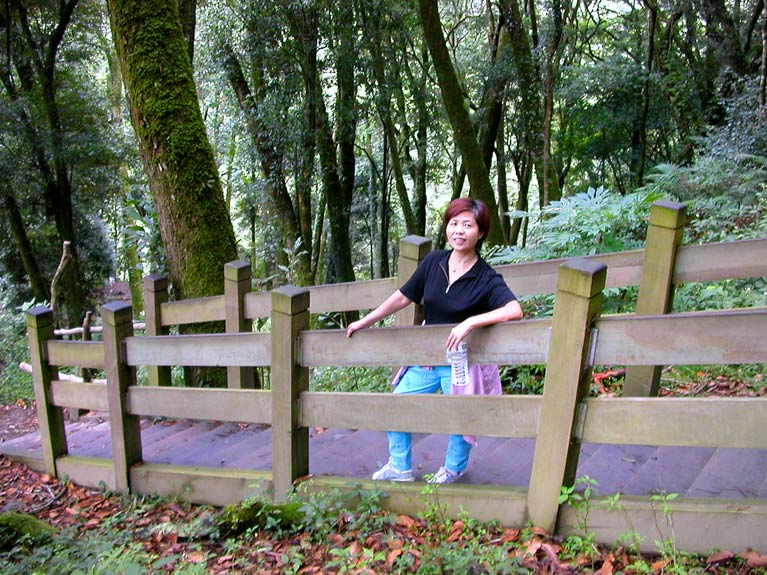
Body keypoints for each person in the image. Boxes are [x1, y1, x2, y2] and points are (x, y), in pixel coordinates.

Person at [346, 197, 523, 484]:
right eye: (454, 223)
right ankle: (400, 467)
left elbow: (514, 310)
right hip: (427, 359)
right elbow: (403, 296)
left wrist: (470, 322)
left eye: (468, 225)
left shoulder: (486, 277)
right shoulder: (433, 262)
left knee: (461, 416)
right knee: (396, 404)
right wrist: (367, 320)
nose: (459, 231)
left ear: (480, 233)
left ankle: (452, 470)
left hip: (461, 361)